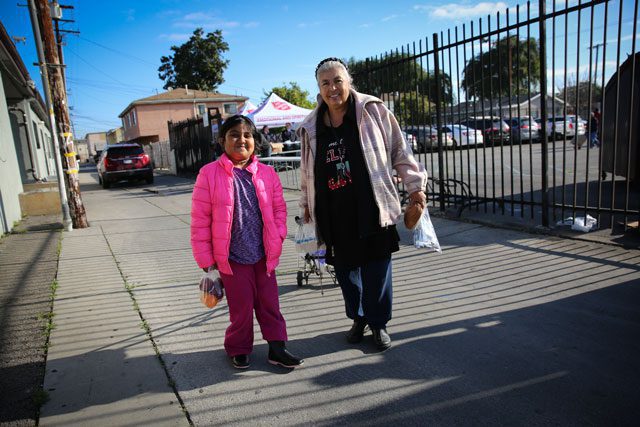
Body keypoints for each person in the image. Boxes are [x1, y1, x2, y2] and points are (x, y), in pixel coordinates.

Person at [297, 58, 427, 351]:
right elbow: (306, 172)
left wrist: (415, 189)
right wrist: (306, 207)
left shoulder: (373, 110)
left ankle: (378, 323)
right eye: (325, 83)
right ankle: (358, 318)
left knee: (377, 269)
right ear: (319, 88)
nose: (333, 88)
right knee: (346, 273)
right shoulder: (311, 125)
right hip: (333, 212)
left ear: (349, 81)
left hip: (372, 204)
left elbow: (399, 151)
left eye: (338, 80)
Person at [191, 114, 303, 370]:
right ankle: (238, 347)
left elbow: (279, 210)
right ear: (222, 141)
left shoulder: (267, 173)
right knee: (240, 309)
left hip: (264, 254)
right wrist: (207, 262)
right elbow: (199, 221)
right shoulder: (208, 175)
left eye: (247, 135)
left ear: (254, 140)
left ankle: (277, 347)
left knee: (270, 304)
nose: (241, 140)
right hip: (233, 258)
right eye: (234, 135)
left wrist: (278, 234)